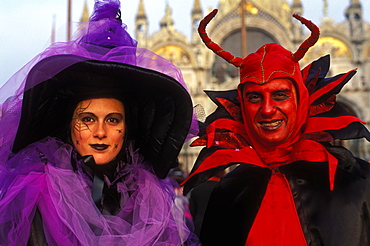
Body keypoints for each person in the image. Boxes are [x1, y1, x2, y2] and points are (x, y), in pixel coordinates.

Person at [0, 0, 200, 245]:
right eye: (87, 119)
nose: (100, 132)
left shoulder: (150, 200)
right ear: (70, 125)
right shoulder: (34, 196)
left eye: (113, 119)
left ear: (126, 128)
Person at [183, 9, 370, 246]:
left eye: (280, 95)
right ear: (240, 106)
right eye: (254, 98)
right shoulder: (228, 191)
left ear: (301, 99)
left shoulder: (358, 182)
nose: (268, 109)